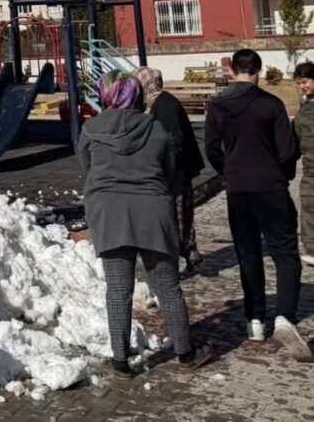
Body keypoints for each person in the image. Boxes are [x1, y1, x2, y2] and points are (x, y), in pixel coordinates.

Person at [78, 70, 212, 379]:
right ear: (137, 95)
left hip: (109, 215)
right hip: (154, 213)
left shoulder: (90, 129)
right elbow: (169, 170)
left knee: (118, 290)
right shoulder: (156, 129)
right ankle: (186, 353)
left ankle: (121, 362)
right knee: (167, 286)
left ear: (105, 95)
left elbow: (86, 165)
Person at [205, 49, 310, 360]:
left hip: (238, 189)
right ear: (259, 72)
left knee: (248, 254)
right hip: (271, 186)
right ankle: (285, 316)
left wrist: (228, 171)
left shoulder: (218, 106)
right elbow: (287, 150)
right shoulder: (271, 104)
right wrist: (283, 174)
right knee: (285, 252)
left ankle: (255, 320)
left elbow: (211, 148)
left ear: (232, 70)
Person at [132, 66, 207, 273]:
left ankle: (181, 257)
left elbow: (174, 141)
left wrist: (166, 170)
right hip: (172, 172)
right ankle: (186, 255)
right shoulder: (154, 102)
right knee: (178, 217)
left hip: (175, 173)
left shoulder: (165, 104)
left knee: (177, 218)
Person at [291, 61, 314, 267]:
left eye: (305, 82)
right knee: (309, 207)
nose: (302, 86)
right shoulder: (303, 109)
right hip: (310, 170)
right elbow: (295, 141)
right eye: (299, 83)